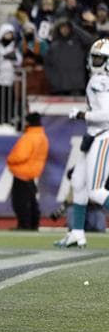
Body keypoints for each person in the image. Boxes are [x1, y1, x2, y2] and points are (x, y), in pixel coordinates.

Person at [56, 39, 109, 248]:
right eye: (94, 57)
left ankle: (77, 233)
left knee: (96, 191)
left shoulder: (100, 81)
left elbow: (107, 114)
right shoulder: (100, 79)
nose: (94, 62)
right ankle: (77, 233)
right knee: (78, 180)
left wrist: (81, 114)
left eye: (100, 59)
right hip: (96, 135)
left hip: (103, 135)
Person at [6, 112, 48, 230]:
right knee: (31, 201)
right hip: (32, 172)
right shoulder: (42, 136)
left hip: (22, 173)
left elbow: (20, 155)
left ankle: (24, 225)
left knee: (20, 202)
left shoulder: (30, 136)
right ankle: (33, 224)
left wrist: (10, 159)